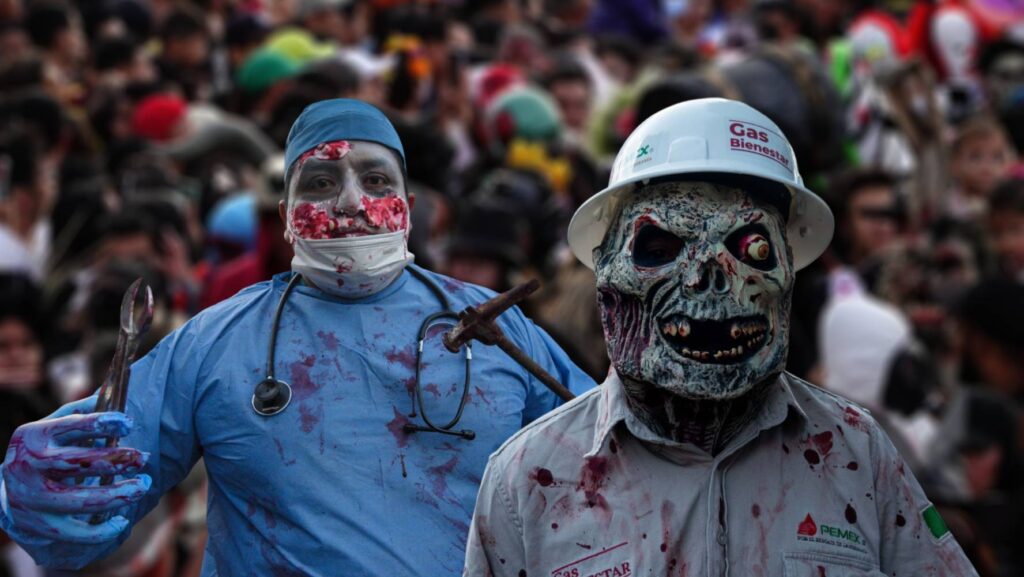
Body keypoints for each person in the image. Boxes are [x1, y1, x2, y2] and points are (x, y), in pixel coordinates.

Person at [0, 99, 595, 576]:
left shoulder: (498, 328)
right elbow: (81, 512)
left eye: (375, 180)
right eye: (320, 182)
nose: (351, 201)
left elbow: (603, 468)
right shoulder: (217, 343)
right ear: (285, 214)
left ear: (409, 206)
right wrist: (33, 492)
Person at [464, 98, 978, 576]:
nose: (707, 276)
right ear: (608, 278)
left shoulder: (854, 451)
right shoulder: (529, 476)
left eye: (752, 250)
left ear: (788, 272)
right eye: (661, 248)